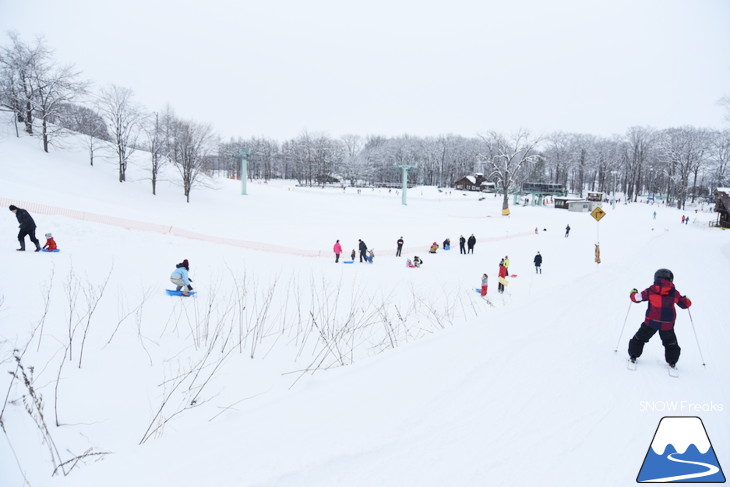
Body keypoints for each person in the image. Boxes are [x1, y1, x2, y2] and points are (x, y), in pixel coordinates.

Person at [628, 268, 691, 369]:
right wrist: (686, 299)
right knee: (670, 342)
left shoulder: (650, 291)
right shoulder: (674, 293)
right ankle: (672, 360)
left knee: (639, 338)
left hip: (651, 322)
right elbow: (685, 305)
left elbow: (636, 298)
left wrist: (633, 292)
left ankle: (634, 354)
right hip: (667, 324)